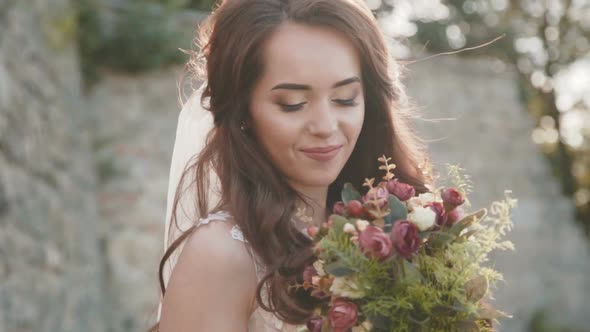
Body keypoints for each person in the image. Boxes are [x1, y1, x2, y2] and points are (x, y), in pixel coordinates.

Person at [150, 0, 431, 331]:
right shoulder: (222, 256)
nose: (325, 126)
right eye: (292, 104)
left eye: (345, 99)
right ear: (243, 112)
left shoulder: (391, 226)